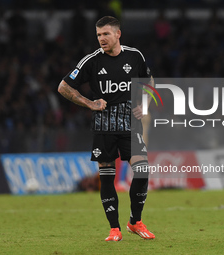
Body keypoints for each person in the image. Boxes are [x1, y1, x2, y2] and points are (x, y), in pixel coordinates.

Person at [58, 16, 155, 241]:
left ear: (118, 34)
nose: (101, 39)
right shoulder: (91, 61)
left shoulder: (135, 55)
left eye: (106, 34)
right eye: (99, 35)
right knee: (107, 177)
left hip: (131, 125)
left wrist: (145, 105)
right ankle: (114, 229)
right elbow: (63, 87)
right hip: (105, 127)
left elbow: (149, 82)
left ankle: (135, 221)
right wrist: (90, 103)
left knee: (142, 171)